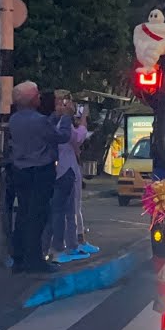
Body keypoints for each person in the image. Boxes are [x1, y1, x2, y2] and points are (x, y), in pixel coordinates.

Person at [8, 82, 74, 273]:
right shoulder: (38, 121)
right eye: (36, 95)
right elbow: (60, 136)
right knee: (38, 214)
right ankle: (34, 260)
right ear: (31, 99)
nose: (40, 98)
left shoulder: (15, 120)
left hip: (20, 170)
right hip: (40, 170)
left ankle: (18, 258)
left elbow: (44, 128)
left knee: (23, 212)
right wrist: (67, 117)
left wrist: (55, 116)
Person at [46, 96, 95, 263]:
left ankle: (70, 245)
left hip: (62, 170)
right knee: (66, 210)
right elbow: (78, 137)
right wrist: (83, 118)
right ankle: (65, 247)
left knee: (66, 210)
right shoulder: (61, 125)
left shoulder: (52, 123)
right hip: (65, 171)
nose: (66, 106)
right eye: (61, 103)